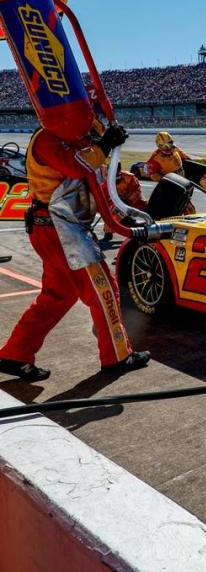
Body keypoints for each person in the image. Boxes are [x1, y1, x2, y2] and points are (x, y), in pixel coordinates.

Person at [0, 123, 150, 381]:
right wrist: (104, 145)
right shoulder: (49, 138)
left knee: (57, 295)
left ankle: (15, 353)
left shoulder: (72, 143)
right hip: (61, 229)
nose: (90, 137)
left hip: (56, 228)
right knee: (105, 292)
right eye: (89, 132)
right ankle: (117, 356)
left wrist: (128, 219)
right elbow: (76, 167)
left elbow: (97, 191)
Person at [100, 162, 147, 243]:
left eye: (117, 179)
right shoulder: (105, 182)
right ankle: (109, 233)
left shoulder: (129, 177)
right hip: (118, 204)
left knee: (147, 207)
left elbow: (137, 192)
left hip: (134, 202)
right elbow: (103, 198)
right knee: (110, 212)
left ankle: (148, 224)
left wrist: (127, 200)